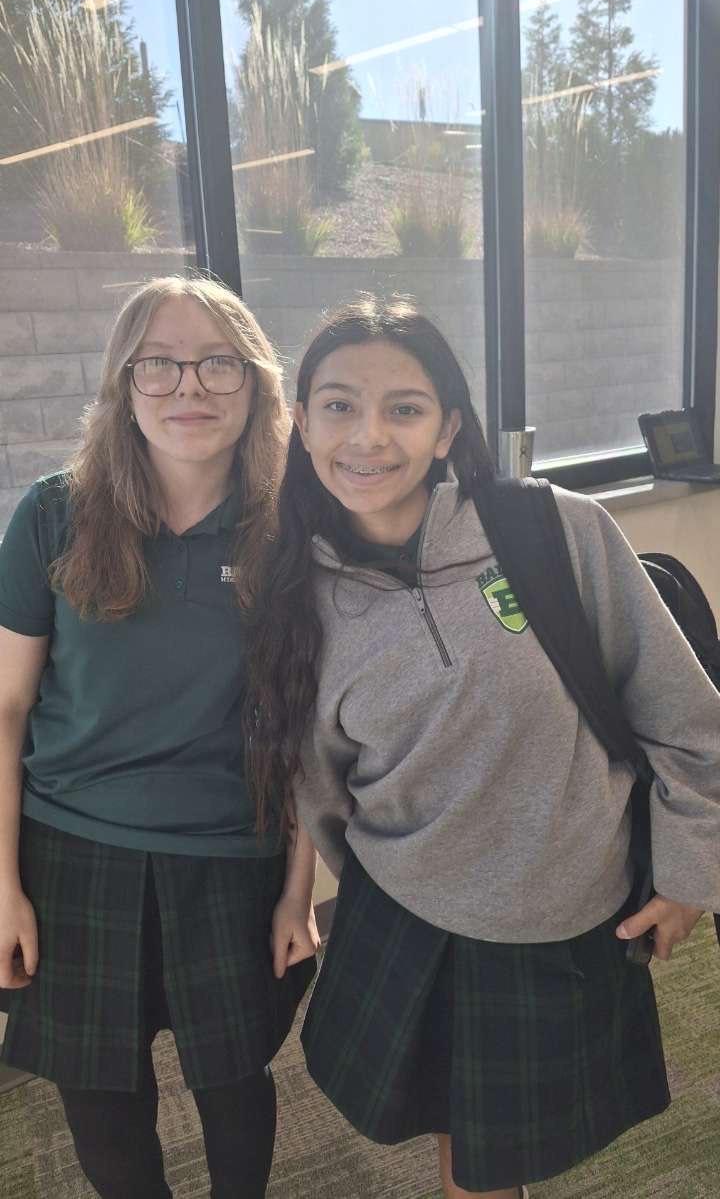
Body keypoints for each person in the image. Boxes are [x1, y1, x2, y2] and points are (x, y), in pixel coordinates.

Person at [245, 295, 720, 1199]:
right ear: (301, 424)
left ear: (447, 428)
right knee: (464, 1146)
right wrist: (410, 872)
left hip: (567, 915)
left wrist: (692, 872)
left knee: (504, 1151)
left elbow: (687, 717)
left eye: (404, 408)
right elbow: (322, 791)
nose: (368, 436)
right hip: (408, 920)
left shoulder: (556, 530)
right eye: (339, 405)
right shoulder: (292, 592)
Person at [0, 275, 318, 1199]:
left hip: (229, 850)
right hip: (70, 849)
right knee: (99, 1096)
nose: (190, 387)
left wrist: (299, 891)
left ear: (256, 384)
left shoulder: (292, 531)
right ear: (123, 383)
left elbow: (306, 724)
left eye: (219, 363)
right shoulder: (53, 514)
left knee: (234, 1081)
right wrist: (2, 882)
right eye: (160, 364)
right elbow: (7, 708)